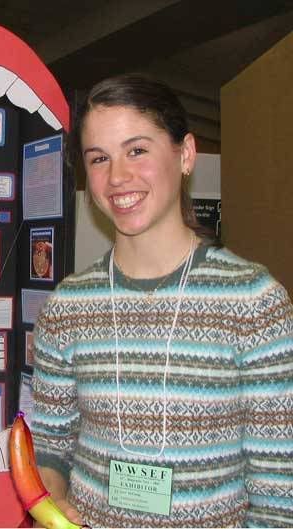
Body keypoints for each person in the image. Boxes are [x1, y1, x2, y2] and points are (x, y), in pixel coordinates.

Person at [30, 73, 293, 528]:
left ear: (185, 154)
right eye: (99, 158)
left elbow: (278, 492)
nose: (117, 177)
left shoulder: (254, 302)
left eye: (137, 150)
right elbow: (50, 446)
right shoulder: (67, 307)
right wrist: (50, 501)